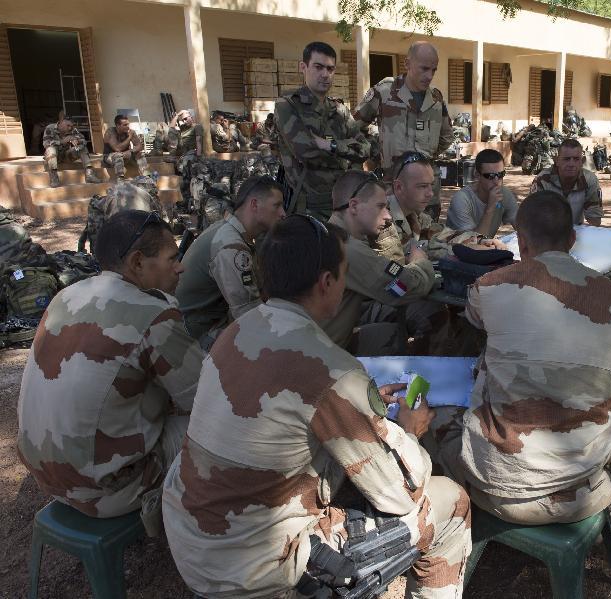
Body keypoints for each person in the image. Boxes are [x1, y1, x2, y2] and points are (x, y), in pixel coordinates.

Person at [162, 215, 471, 598]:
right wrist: (410, 431)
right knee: (450, 501)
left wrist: (357, 402)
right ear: (327, 283)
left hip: (192, 540)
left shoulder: (237, 332)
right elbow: (400, 492)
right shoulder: (332, 369)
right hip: (258, 569)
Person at [430, 191, 611, 525]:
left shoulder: (490, 286)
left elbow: (474, 320)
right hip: (586, 485)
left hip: (502, 487)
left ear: (520, 242)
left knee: (428, 418)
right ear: (572, 239)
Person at [17, 210, 203, 525]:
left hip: (47, 478)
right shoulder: (154, 314)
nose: (180, 267)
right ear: (137, 263)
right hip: (104, 493)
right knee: (219, 423)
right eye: (172, 258)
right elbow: (203, 398)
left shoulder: (67, 295)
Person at [325, 170, 435, 350]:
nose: (388, 216)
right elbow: (404, 288)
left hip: (318, 340)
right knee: (427, 314)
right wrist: (420, 262)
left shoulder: (327, 235)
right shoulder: (348, 249)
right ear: (353, 206)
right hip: (327, 353)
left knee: (392, 331)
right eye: (380, 206)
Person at [176, 176, 285, 349]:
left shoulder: (230, 231)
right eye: (277, 205)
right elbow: (249, 317)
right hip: (194, 334)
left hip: (202, 322)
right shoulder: (231, 246)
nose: (283, 213)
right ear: (254, 205)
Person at [354, 41, 454, 221]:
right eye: (424, 68)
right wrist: (377, 151)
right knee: (392, 241)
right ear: (407, 64)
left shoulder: (436, 98)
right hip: (393, 188)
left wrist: (423, 157)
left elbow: (446, 137)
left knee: (426, 239)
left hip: (427, 190)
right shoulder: (385, 92)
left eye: (433, 70)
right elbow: (354, 127)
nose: (429, 75)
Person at [275, 42, 371, 220]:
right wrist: (346, 155)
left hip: (342, 205)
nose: (325, 74)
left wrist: (329, 145)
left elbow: (365, 149)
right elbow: (306, 151)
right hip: (307, 209)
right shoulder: (287, 105)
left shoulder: (340, 110)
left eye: (330, 69)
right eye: (318, 67)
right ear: (303, 67)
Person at [373, 152, 502, 263]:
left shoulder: (416, 215)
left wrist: (480, 240)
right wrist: (467, 250)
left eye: (431, 185)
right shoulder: (382, 220)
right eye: (422, 186)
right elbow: (409, 254)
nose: (430, 193)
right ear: (399, 187)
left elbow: (444, 234)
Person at [529, 138, 603, 226]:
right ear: (557, 161)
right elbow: (532, 215)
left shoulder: (589, 180)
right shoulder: (543, 180)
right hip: (547, 231)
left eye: (576, 159)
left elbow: (595, 219)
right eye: (566, 159)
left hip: (576, 232)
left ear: (582, 162)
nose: (571, 164)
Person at [446, 149, 518, 237]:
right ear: (477, 175)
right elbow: (473, 243)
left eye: (500, 175)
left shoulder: (504, 194)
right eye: (490, 176)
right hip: (455, 248)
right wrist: (490, 208)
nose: (496, 181)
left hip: (485, 247)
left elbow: (522, 228)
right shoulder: (462, 200)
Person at [42, 116, 101, 188]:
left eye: (71, 126)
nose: (70, 128)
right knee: (50, 149)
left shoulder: (73, 130)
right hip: (53, 157)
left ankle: (89, 174)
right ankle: (54, 177)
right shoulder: (50, 128)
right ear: (61, 123)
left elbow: (83, 140)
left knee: (82, 148)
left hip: (66, 156)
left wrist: (77, 140)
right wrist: (63, 141)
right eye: (68, 126)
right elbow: (46, 144)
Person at [103, 114, 149, 181]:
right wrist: (129, 137)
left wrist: (130, 151)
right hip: (109, 157)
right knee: (118, 155)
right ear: (118, 125)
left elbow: (139, 146)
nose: (128, 127)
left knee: (140, 154)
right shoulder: (110, 132)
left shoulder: (130, 132)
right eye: (125, 125)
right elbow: (117, 148)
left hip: (126, 156)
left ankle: (145, 177)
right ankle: (120, 179)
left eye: (128, 124)